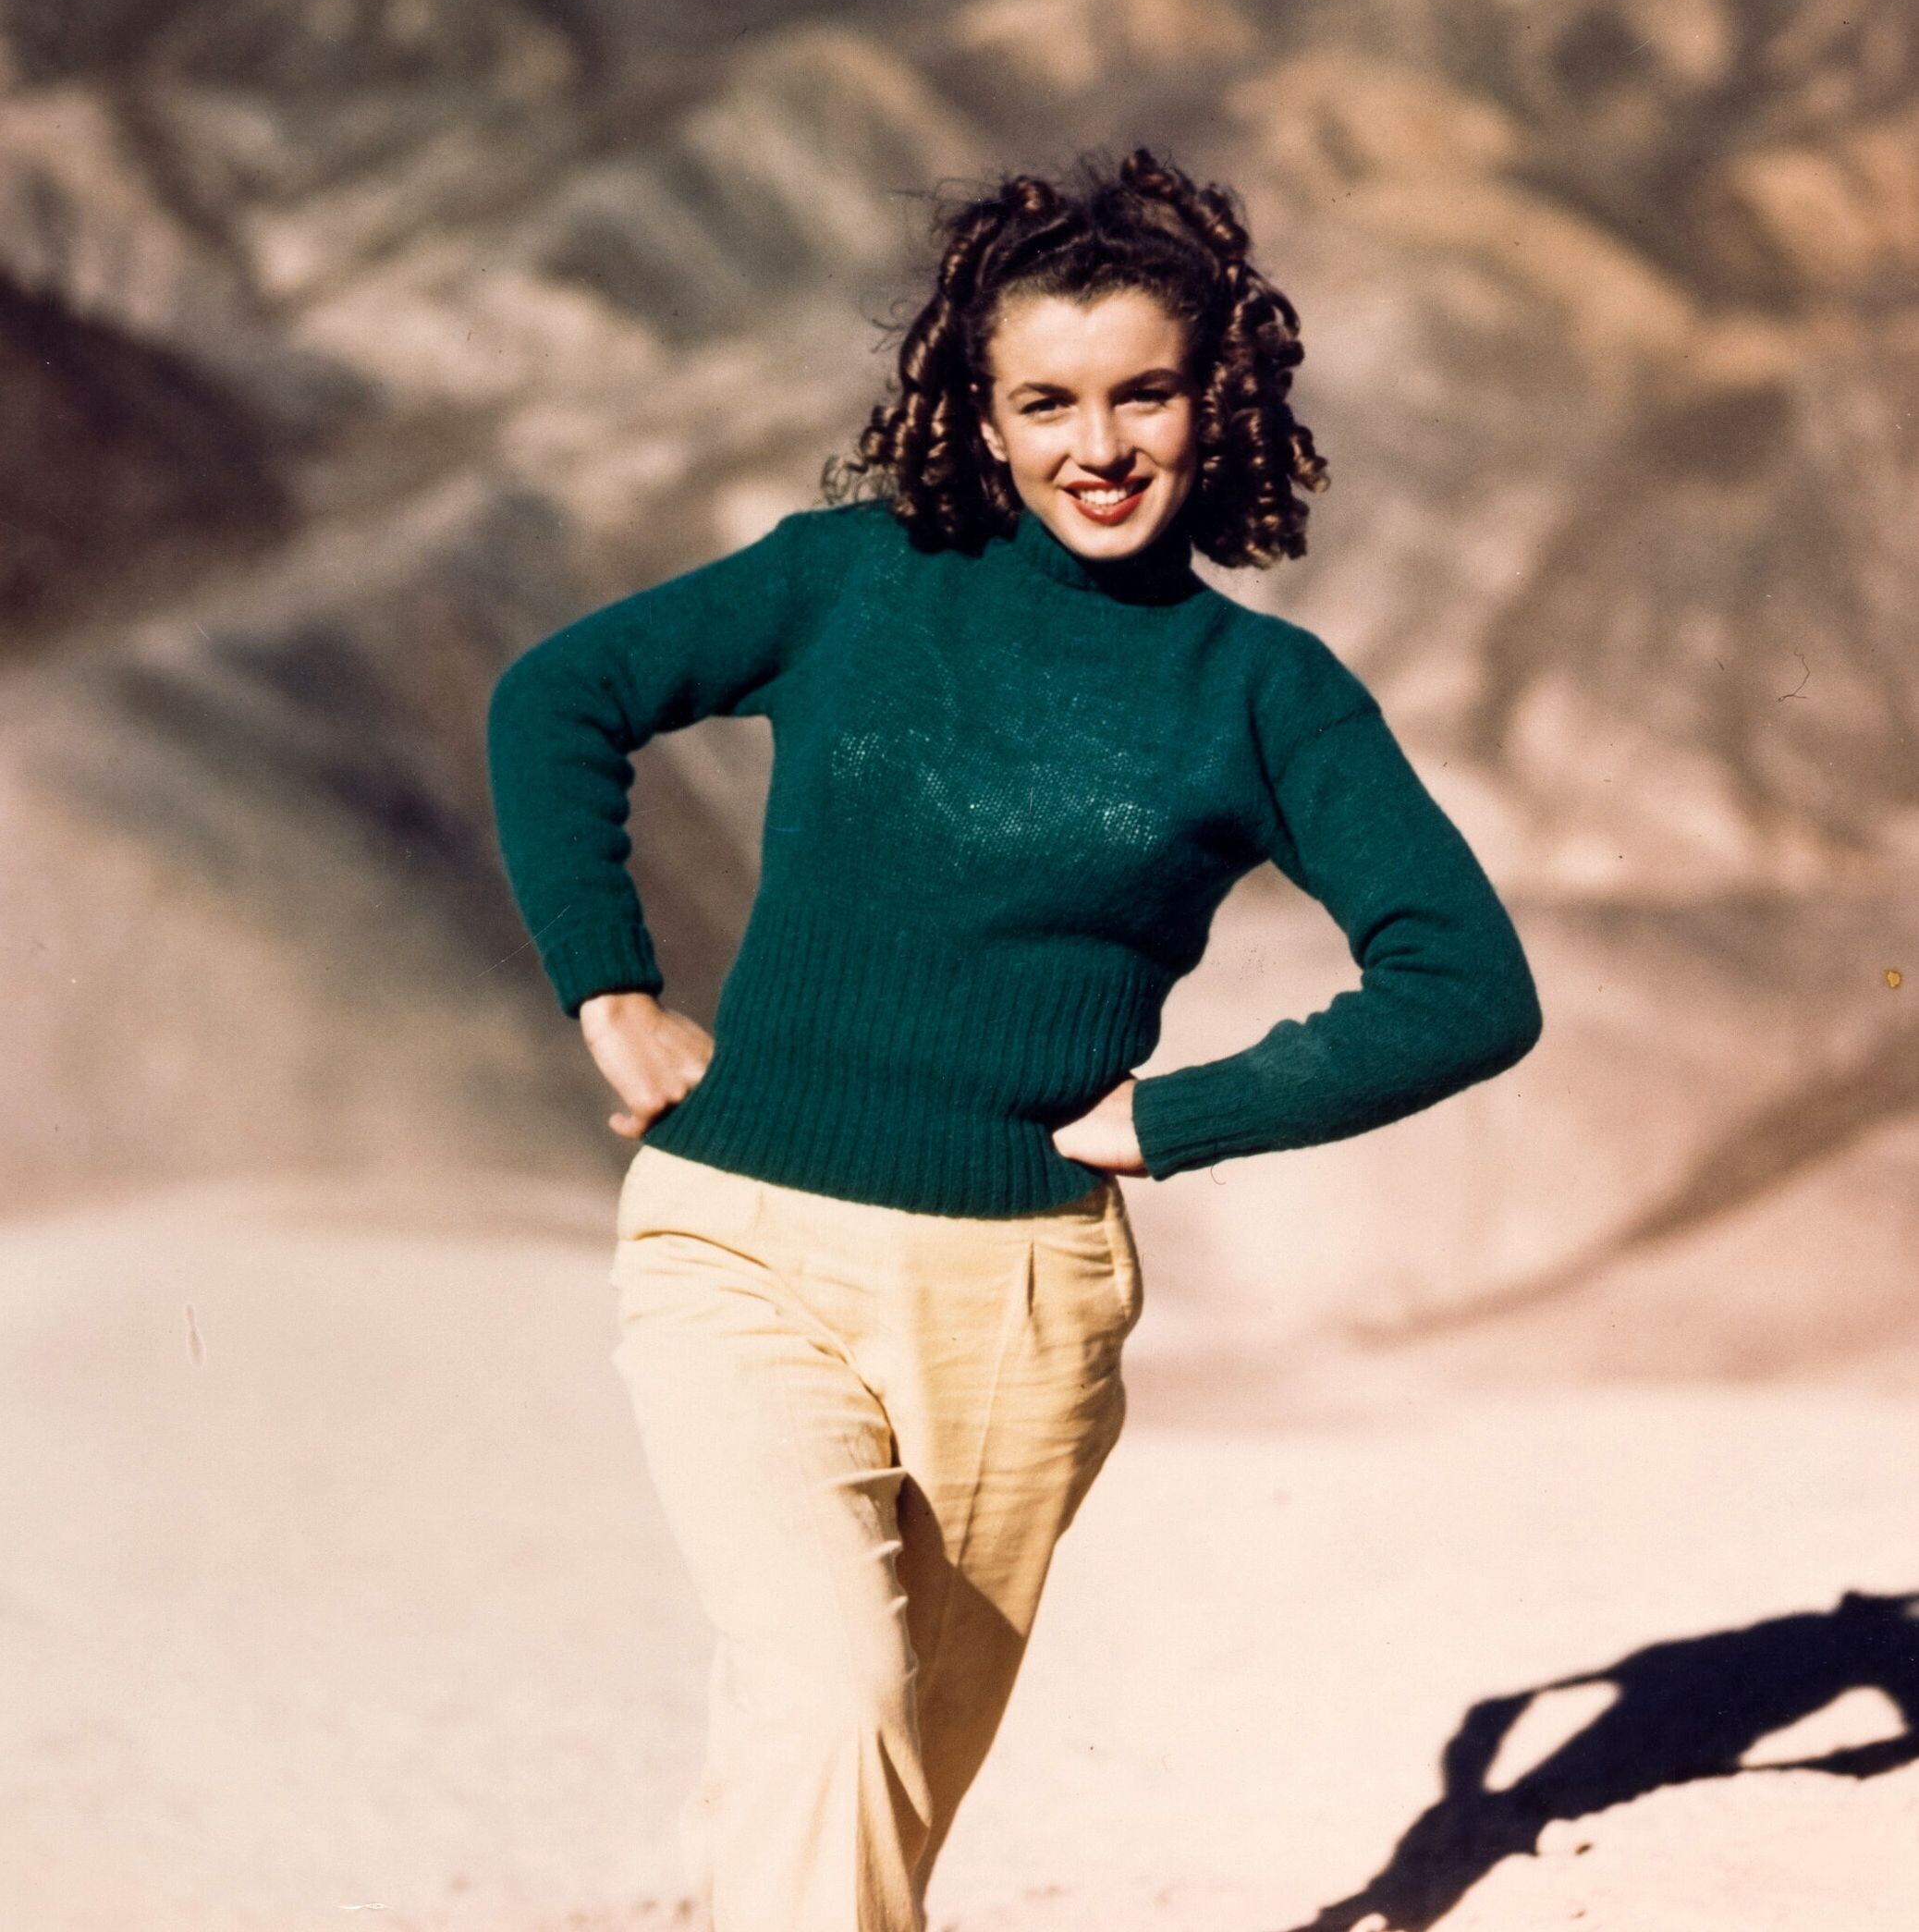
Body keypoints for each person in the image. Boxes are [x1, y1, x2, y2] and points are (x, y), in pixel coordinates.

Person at [484, 145, 1544, 1932]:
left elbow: (1467, 983)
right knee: (833, 1701)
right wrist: (613, 987)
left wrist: (1180, 1118)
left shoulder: (1263, 695)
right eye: (1046, 402)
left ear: (1217, 404)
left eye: (1145, 394)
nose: (1098, 446)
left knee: (880, 1773)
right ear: (979, 420)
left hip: (1020, 1307)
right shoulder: (850, 580)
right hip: (740, 1243)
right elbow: (557, 697)